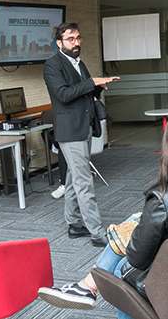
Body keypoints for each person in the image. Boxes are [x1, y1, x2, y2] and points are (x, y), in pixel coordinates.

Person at [38, 109, 168, 316]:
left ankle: (87, 286)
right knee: (137, 220)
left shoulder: (163, 197)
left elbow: (137, 259)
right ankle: (87, 286)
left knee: (119, 269)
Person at [43, 22, 120, 246]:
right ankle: (97, 233)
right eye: (71, 39)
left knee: (73, 177)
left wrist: (99, 85)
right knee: (84, 181)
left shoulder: (79, 63)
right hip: (70, 131)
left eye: (78, 38)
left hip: (84, 126)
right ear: (59, 43)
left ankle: (74, 224)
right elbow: (64, 95)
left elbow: (84, 92)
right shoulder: (52, 65)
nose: (76, 43)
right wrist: (91, 82)